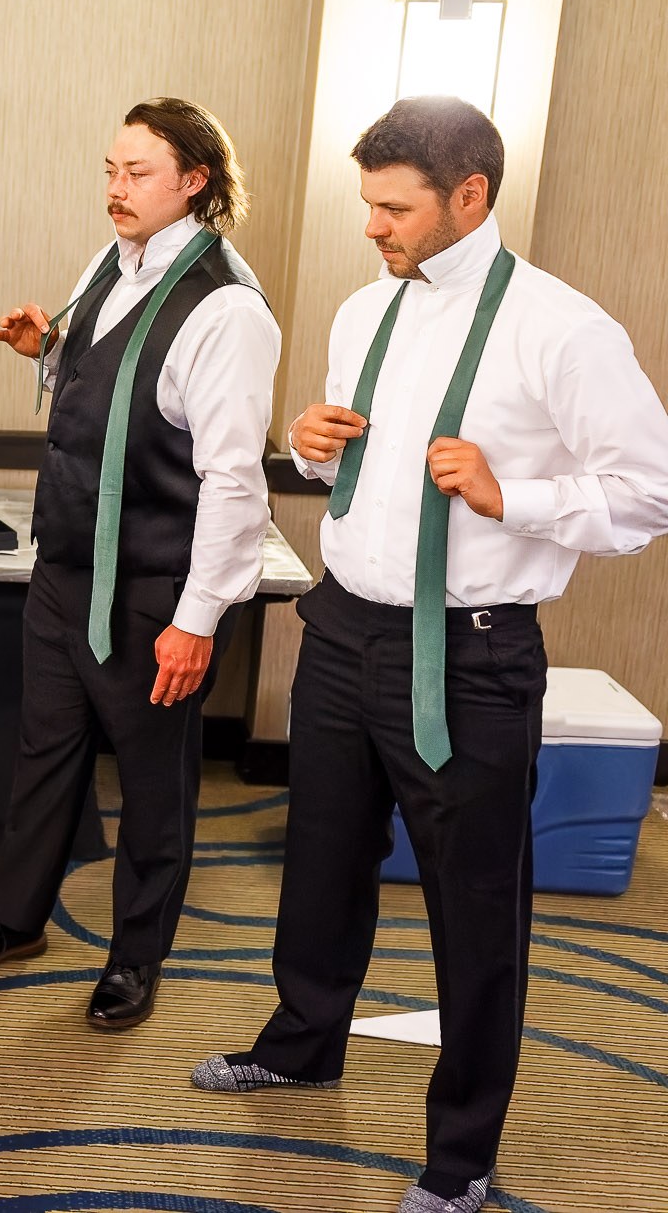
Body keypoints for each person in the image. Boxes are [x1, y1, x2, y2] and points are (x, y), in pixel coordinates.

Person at [191, 95, 668, 1213]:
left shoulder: (563, 330)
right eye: (366, 204)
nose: (371, 226)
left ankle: (459, 1158)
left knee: (471, 906)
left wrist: (518, 496)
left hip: (469, 654)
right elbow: (367, 470)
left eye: (392, 207)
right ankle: (302, 1043)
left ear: (469, 197)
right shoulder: (363, 314)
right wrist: (309, 451)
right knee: (317, 859)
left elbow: (648, 490)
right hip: (343, 626)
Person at [0, 98, 280, 1030]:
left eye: (138, 175)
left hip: (154, 587)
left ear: (195, 181)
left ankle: (135, 956)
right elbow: (113, 391)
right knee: (44, 754)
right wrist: (49, 347)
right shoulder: (108, 264)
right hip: (64, 568)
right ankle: (14, 917)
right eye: (110, 170)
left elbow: (234, 478)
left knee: (156, 783)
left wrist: (196, 620)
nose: (115, 191)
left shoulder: (229, 309)